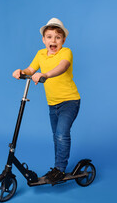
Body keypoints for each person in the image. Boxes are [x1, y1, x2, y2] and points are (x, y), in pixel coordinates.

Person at [12, 18, 81, 183]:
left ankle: (59, 170)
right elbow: (31, 69)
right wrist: (21, 71)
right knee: (55, 136)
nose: (53, 40)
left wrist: (46, 74)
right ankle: (58, 167)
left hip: (70, 101)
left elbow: (62, 67)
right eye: (49, 37)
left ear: (63, 40)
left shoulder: (66, 52)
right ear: (44, 40)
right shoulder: (40, 54)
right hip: (53, 104)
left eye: (58, 37)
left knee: (61, 135)